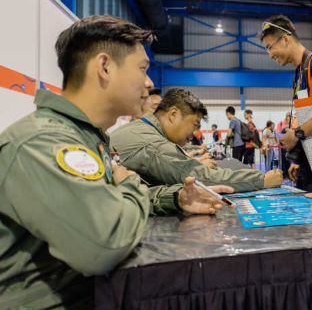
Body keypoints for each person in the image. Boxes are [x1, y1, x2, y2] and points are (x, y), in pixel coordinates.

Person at [0, 16, 227, 308]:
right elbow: (104, 243)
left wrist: (176, 198)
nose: (149, 82)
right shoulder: (42, 143)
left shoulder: (90, 138)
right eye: (143, 69)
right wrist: (129, 183)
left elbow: (108, 201)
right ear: (105, 67)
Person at [110, 88, 283, 192]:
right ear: (173, 115)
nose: (194, 133)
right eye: (194, 124)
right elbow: (203, 178)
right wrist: (261, 180)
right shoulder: (152, 144)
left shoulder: (143, 130)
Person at [260, 15, 312, 206]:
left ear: (285, 39)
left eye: (269, 46)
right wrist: (300, 159)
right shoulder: (301, 72)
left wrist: (297, 134)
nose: (269, 54)